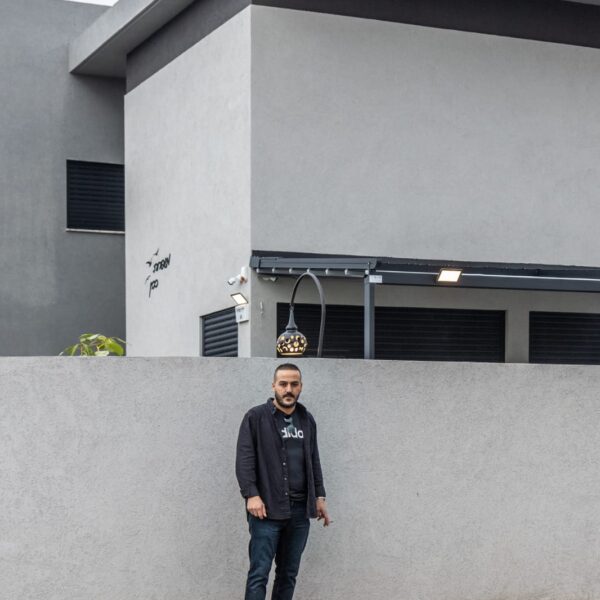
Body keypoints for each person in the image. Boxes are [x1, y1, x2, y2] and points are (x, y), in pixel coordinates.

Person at [236, 363, 331, 600]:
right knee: (259, 574)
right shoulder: (255, 417)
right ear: (274, 386)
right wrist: (251, 494)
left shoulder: (307, 420)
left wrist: (319, 496)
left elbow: (313, 459)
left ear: (300, 387)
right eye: (283, 384)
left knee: (288, 574)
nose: (288, 389)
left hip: (299, 511)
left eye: (294, 384)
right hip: (266, 511)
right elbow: (244, 459)